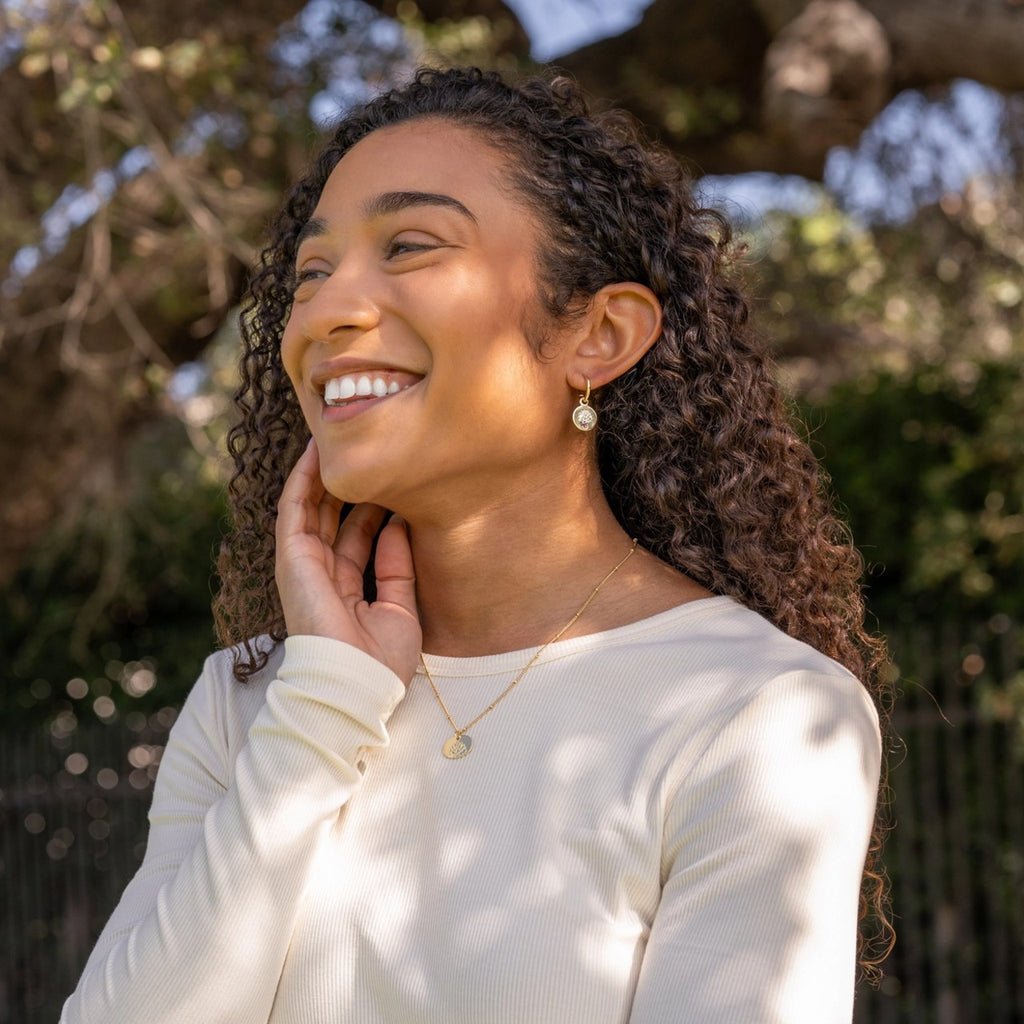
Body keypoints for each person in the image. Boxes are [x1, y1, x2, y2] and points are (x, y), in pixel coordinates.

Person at [61, 66, 890, 1023]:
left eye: (411, 246)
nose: (327, 313)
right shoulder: (255, 700)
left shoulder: (757, 714)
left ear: (601, 335)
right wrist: (326, 702)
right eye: (312, 273)